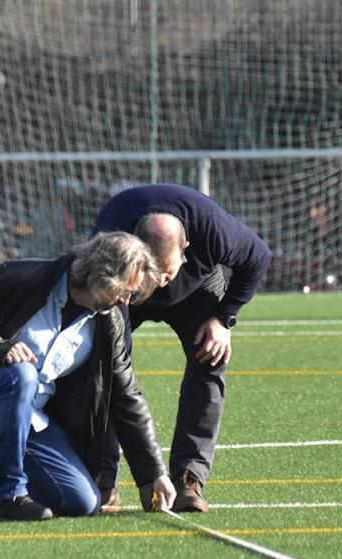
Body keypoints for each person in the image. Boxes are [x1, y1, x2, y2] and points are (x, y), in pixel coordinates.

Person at [0, 232, 177, 520]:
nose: (127, 302)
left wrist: (154, 473)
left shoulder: (111, 320)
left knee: (82, 502)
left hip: (31, 417)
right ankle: (9, 496)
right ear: (104, 276)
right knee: (21, 375)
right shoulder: (25, 278)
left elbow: (126, 394)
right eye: (126, 291)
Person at [93, 183, 272, 512]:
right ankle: (102, 480)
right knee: (101, 366)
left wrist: (223, 318)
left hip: (197, 288)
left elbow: (258, 257)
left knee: (210, 358)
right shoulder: (109, 238)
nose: (161, 281)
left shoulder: (213, 228)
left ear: (187, 247)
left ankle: (188, 478)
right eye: (153, 271)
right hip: (127, 288)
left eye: (167, 271)